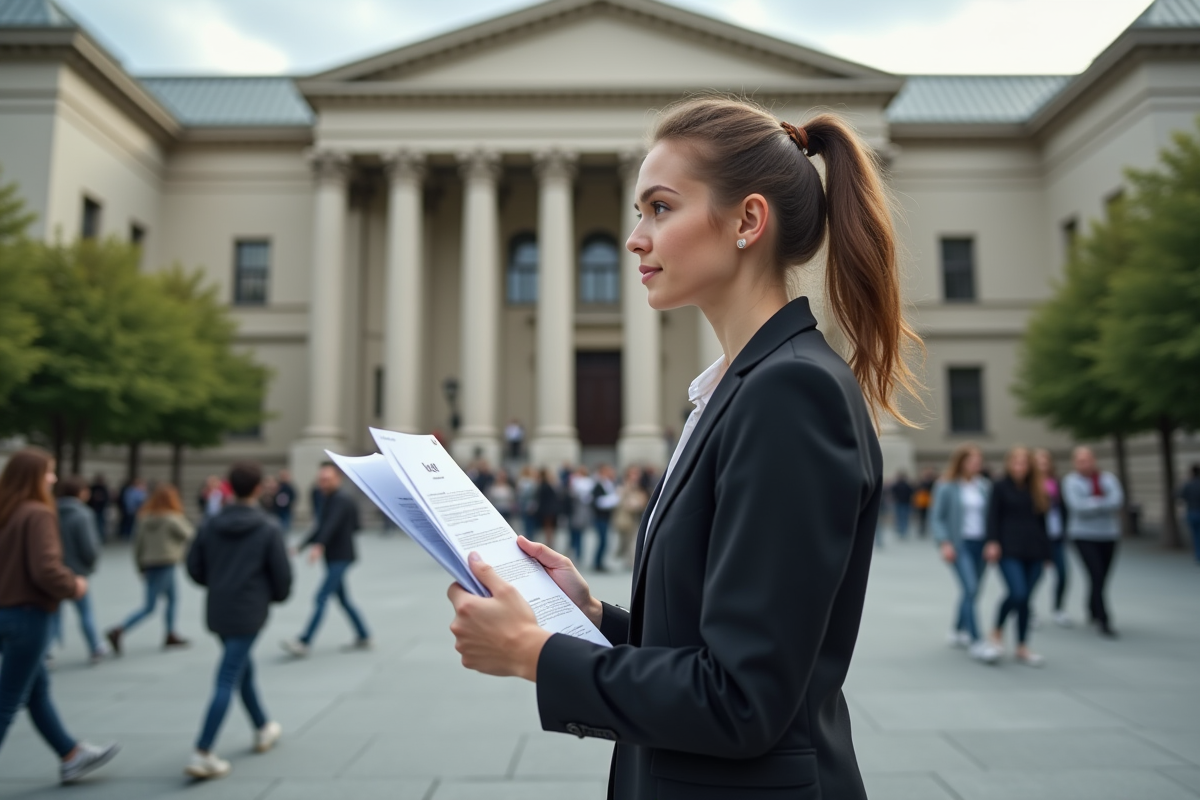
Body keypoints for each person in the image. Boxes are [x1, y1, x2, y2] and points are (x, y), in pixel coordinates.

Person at [443, 98, 922, 799]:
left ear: (747, 222)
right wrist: (591, 618)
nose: (634, 238)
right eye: (638, 213)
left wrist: (536, 654)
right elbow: (726, 641)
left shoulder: (789, 395)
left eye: (660, 209)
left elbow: (741, 699)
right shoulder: (744, 388)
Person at [0, 448, 119, 783]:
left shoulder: (6, 512)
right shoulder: (37, 513)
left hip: (5, 612)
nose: (52, 479)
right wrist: (75, 586)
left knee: (36, 689)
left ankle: (70, 753)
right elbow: (46, 569)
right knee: (8, 701)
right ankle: (71, 754)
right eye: (48, 472)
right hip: (28, 615)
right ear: (34, 477)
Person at [185, 461, 292, 780]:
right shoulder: (268, 526)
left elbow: (194, 567)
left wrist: (218, 584)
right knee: (229, 675)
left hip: (219, 608)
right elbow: (282, 577)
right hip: (249, 609)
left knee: (240, 667)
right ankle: (202, 751)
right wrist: (271, 596)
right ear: (259, 488)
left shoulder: (210, 523)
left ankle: (263, 726)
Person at [282, 462, 371, 656]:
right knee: (344, 599)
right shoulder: (329, 498)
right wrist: (302, 546)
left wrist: (319, 545)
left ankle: (304, 641)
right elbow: (322, 527)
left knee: (321, 597)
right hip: (335, 556)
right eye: (321, 479)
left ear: (338, 479)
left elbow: (330, 526)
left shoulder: (340, 499)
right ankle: (364, 635)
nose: (323, 483)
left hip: (341, 557)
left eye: (327, 479)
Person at [931, 444, 1001, 664]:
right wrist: (944, 543)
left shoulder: (985, 486)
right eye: (971, 460)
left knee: (972, 591)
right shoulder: (947, 485)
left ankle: (957, 628)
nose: (976, 464)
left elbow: (992, 517)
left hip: (981, 544)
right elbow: (937, 517)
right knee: (970, 588)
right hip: (959, 544)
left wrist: (993, 541)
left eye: (979, 460)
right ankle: (977, 641)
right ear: (961, 462)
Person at [105, 484, 194, 655]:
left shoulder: (144, 518)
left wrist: (140, 567)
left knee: (172, 599)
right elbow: (190, 535)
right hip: (167, 562)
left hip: (150, 563)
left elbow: (137, 545)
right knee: (150, 606)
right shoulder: (172, 518)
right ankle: (119, 629)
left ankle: (170, 633)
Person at [985, 446, 1052, 666]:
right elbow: (992, 516)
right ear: (1009, 464)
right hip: (1008, 549)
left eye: (1023, 463)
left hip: (1034, 550)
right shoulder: (1000, 486)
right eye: (1015, 463)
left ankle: (1022, 646)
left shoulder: (1037, 488)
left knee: (1026, 600)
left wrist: (1048, 552)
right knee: (1018, 593)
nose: (1019, 467)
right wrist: (992, 541)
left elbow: (1043, 523)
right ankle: (997, 629)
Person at [1062, 446, 1124, 637]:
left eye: (1087, 459)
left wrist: (1092, 502)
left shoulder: (1108, 479)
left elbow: (1117, 500)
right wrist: (1101, 502)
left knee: (1102, 576)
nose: (1084, 464)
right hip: (1083, 535)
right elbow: (1077, 507)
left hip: (1108, 534)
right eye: (1080, 461)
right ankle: (1104, 619)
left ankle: (1092, 606)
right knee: (1096, 574)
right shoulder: (1070, 481)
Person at [52, 477, 107, 664]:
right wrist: (89, 566)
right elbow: (89, 548)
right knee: (85, 612)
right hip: (77, 572)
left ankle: (46, 652)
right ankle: (95, 647)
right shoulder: (82, 514)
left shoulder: (49, 511)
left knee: (54, 613)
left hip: (54, 570)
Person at [1034, 448, 1071, 625]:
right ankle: (1030, 611)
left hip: (1056, 535)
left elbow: (1064, 508)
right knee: (1035, 576)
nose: (1042, 465)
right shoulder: (1029, 485)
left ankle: (1058, 608)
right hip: (1038, 539)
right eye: (1038, 462)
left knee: (1063, 574)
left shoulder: (1056, 483)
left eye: (1045, 461)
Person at [612, 466, 649, 569]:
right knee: (625, 539)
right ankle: (623, 556)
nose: (635, 476)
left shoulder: (641, 486)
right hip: (625, 517)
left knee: (633, 540)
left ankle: (631, 561)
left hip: (637, 517)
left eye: (636, 474)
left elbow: (645, 499)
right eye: (633, 474)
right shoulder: (623, 486)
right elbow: (619, 500)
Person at [590, 465, 619, 572]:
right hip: (599, 517)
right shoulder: (598, 485)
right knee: (602, 540)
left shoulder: (608, 484)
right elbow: (596, 502)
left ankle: (600, 562)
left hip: (605, 517)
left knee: (605, 541)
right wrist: (613, 499)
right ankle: (597, 563)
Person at [566, 466, 594, 563]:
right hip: (576, 513)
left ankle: (577, 554)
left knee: (577, 535)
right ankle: (576, 553)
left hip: (578, 513)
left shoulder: (582, 483)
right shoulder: (577, 482)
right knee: (576, 535)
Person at [1179, 464, 1200, 562]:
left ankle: (1197, 555)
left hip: (1191, 512)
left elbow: (1178, 495)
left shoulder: (1188, 484)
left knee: (1195, 535)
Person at [534, 468, 559, 544]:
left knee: (548, 528)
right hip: (549, 509)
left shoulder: (544, 486)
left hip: (547, 510)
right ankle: (549, 542)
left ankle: (549, 543)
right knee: (549, 528)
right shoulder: (547, 485)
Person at [516, 466, 540, 542]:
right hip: (529, 504)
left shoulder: (522, 481)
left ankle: (527, 537)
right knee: (529, 522)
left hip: (524, 504)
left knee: (526, 522)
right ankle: (529, 538)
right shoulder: (530, 482)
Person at [890, 471, 915, 539]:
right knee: (903, 517)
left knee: (902, 517)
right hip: (902, 503)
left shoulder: (900, 485)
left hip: (903, 503)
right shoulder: (905, 485)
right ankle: (902, 530)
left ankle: (902, 530)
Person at [86, 474, 110, 542]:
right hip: (93, 508)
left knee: (101, 524)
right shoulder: (93, 488)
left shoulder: (103, 488)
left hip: (101, 509)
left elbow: (107, 498)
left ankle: (100, 537)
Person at [914, 467, 936, 538]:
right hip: (922, 502)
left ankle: (926, 529)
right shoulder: (921, 482)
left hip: (929, 501)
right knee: (922, 517)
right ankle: (922, 529)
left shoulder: (932, 482)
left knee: (928, 516)